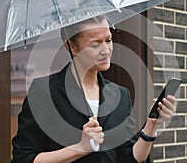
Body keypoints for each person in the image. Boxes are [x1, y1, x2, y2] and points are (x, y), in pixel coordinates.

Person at [11, 15, 176, 163]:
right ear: (71, 46)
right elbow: (23, 158)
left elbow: (129, 158)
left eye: (108, 40)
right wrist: (81, 148)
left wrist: (151, 126)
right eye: (95, 44)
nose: (106, 50)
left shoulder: (120, 95)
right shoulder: (43, 91)